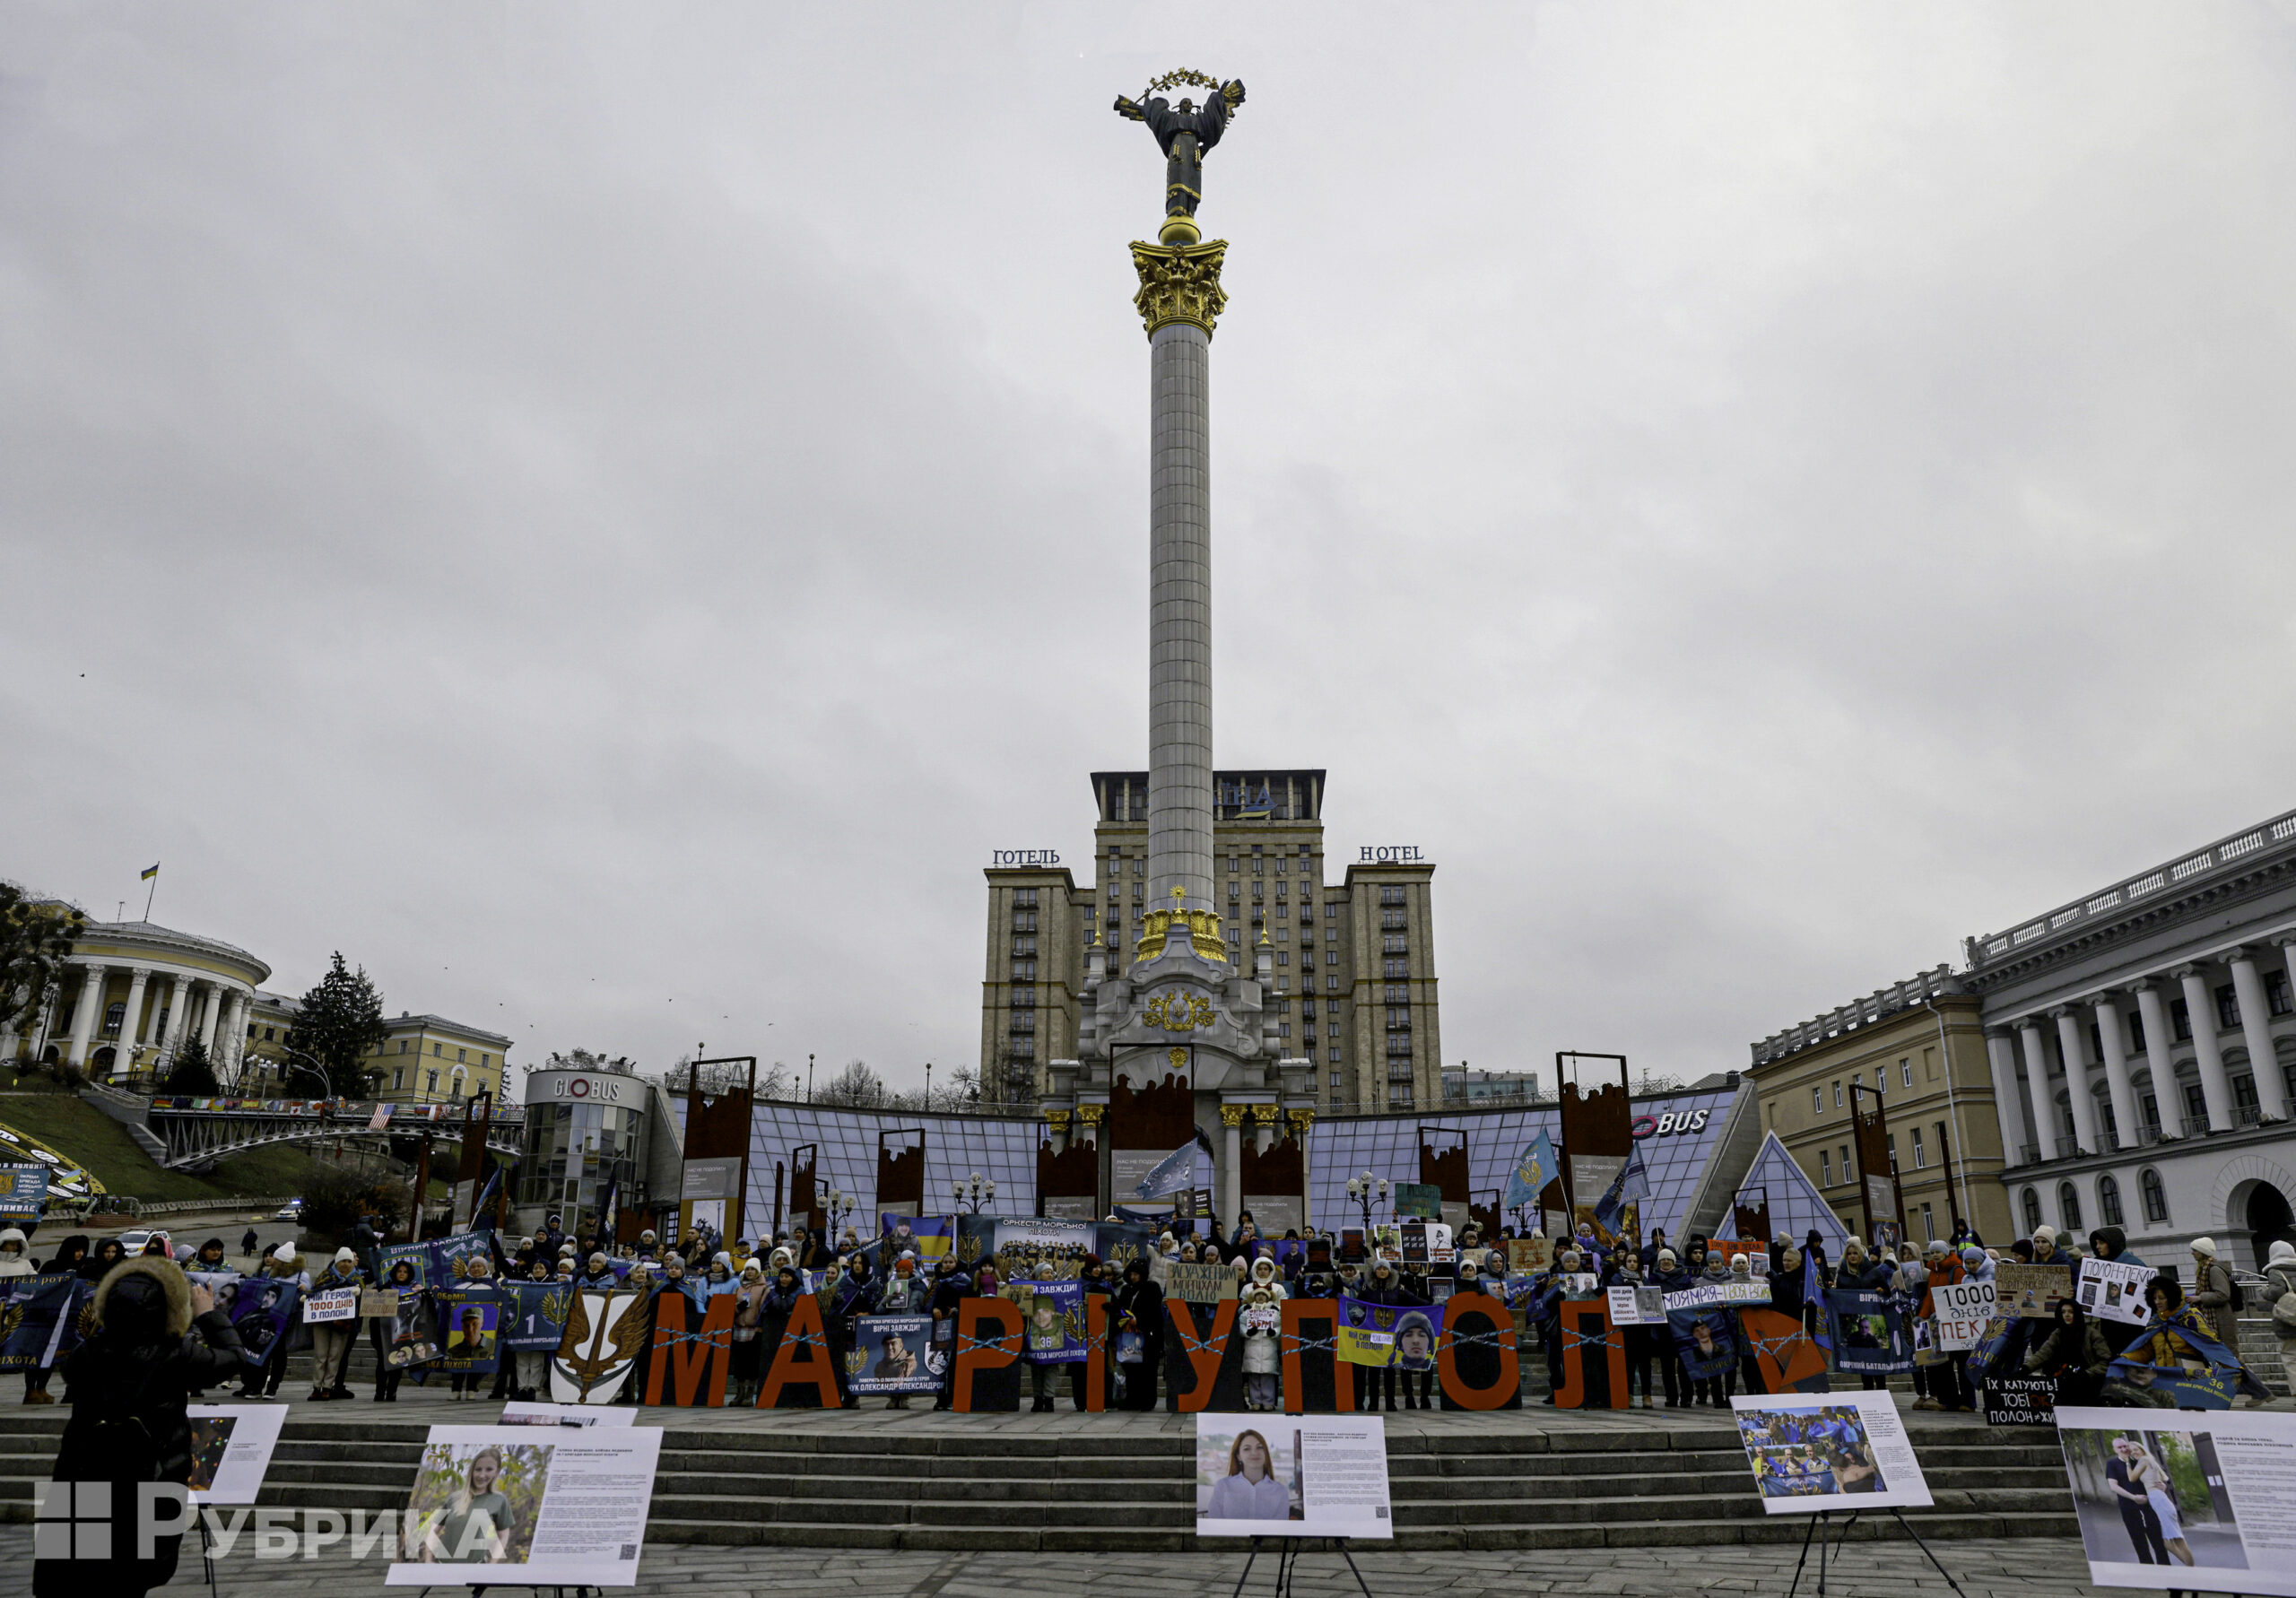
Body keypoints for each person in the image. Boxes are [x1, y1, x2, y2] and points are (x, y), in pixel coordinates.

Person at [32, 1254, 244, 1598]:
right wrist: (208, 1314)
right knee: (132, 1577)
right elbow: (236, 1359)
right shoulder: (176, 1354)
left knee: (79, 1573)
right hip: (152, 1477)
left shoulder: (87, 1354)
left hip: (85, 1474)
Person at [421, 1446, 516, 1564]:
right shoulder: (453, 1498)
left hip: (474, 1570)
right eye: (478, 1469)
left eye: (489, 1469)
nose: (482, 1475)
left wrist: (492, 1564)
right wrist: (428, 1561)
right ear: (472, 1471)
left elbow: (503, 1536)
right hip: (442, 1568)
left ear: (496, 1471)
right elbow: (432, 1531)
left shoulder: (499, 1500)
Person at [2022, 1298, 2112, 1406]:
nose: (2067, 1315)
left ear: (2077, 1314)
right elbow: (2044, 1353)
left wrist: (2087, 1374)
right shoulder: (2058, 1333)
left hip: (2089, 1381)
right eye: (2063, 1312)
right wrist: (2026, 1368)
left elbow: (2106, 1362)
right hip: (2065, 1377)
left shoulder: (2092, 1334)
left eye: (2071, 1312)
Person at [307, 1246, 365, 1403]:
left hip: (343, 1323)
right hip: (322, 1322)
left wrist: (358, 1295)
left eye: (349, 1261)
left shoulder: (357, 1280)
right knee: (321, 1354)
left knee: (335, 1355)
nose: (346, 1264)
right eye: (343, 1261)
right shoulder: (325, 1276)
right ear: (337, 1262)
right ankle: (316, 1387)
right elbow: (315, 1292)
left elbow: (363, 1303)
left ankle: (327, 1387)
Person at [2127, 1440, 2194, 1567]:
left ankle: (2191, 1569)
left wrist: (2126, 1463)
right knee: (2170, 1542)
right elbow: (2164, 1479)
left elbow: (2131, 1478)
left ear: (2142, 1449)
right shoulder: (2149, 1460)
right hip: (2159, 1498)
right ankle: (2190, 1567)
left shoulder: (2144, 1460)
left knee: (2177, 1540)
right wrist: (2160, 1485)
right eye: (2131, 1451)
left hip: (2159, 1500)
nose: (2133, 1452)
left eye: (2135, 1449)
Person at [2104, 1436, 2169, 1565]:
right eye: (2119, 1447)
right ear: (2115, 1450)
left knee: (2158, 1540)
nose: (2123, 1449)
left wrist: (2163, 1486)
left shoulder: (2140, 1461)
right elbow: (2113, 1486)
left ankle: (2167, 1571)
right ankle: (2148, 1572)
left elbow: (2157, 1478)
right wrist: (2133, 1497)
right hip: (2128, 1507)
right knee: (2139, 1542)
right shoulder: (2112, 1464)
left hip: (2148, 1504)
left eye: (2125, 1446)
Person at [1113, 1256, 1164, 1411]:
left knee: (1148, 1370)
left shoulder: (1152, 1287)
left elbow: (1155, 1312)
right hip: (1130, 1335)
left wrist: (1139, 1320)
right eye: (1131, 1274)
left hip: (1148, 1335)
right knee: (1131, 1369)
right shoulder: (1126, 1289)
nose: (1133, 1277)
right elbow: (1121, 1308)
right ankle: (1132, 1399)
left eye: (1136, 1274)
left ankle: (1147, 1401)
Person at [1207, 1429, 1289, 1521]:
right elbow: (1214, 1524)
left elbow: (1278, 1531)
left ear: (1265, 1453)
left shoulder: (1281, 1492)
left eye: (1260, 1447)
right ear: (1239, 1456)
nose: (1254, 1452)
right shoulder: (1223, 1486)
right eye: (1247, 1449)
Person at [2187, 1238, 2239, 1348]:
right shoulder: (2204, 1269)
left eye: (2195, 1250)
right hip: (2215, 1315)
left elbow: (2223, 1294)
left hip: (2221, 1317)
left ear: (2203, 1252)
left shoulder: (2214, 1270)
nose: (2192, 1253)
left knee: (2229, 1353)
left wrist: (2200, 1298)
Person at [2266, 1238, 2296, 1399]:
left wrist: (2264, 1293)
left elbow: (2276, 1293)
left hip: (2289, 1322)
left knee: (2291, 1357)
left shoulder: (2276, 1271)